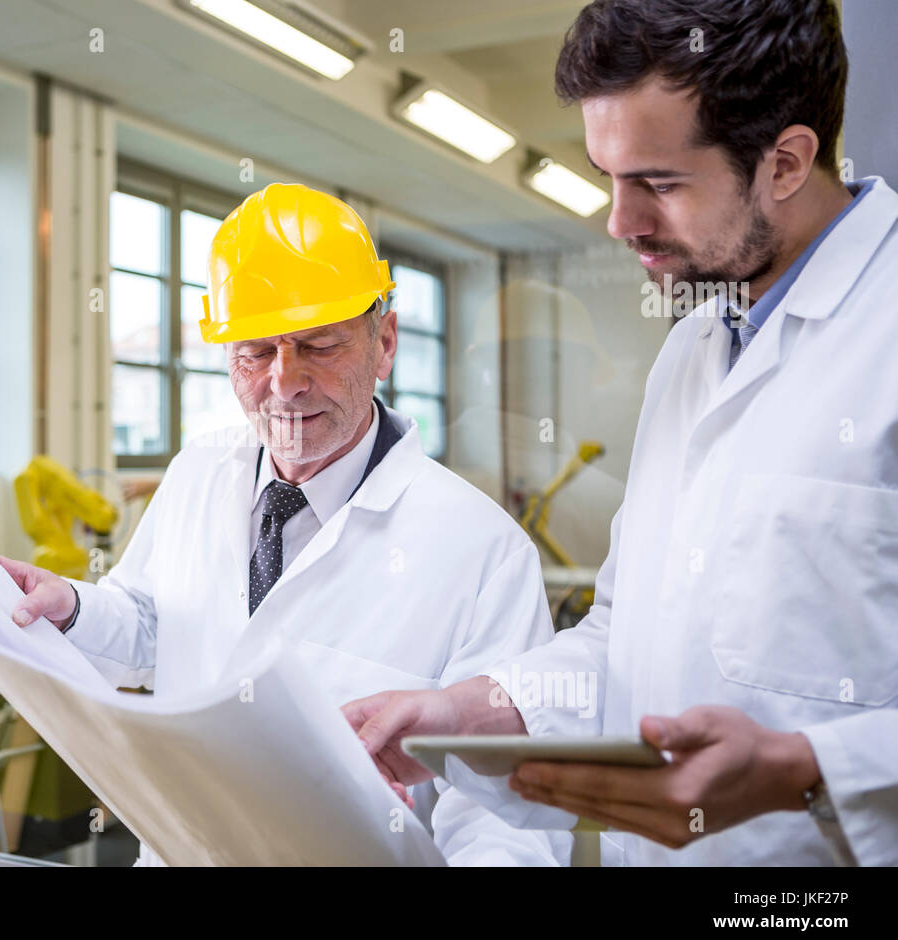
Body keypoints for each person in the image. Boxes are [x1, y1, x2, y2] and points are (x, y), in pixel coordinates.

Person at [345, 0, 898, 866]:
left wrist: (811, 768)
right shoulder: (690, 351)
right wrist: (474, 712)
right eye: (608, 176)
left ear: (786, 162)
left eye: (660, 183)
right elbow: (623, 639)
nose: (619, 221)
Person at [0, 183, 568, 865]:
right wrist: (73, 609)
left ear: (383, 342)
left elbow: (507, 815)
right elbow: (152, 623)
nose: (284, 383)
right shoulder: (197, 474)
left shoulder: (483, 548)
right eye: (255, 353)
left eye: (319, 346)